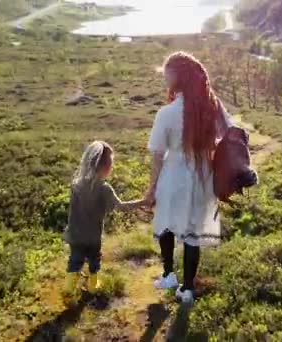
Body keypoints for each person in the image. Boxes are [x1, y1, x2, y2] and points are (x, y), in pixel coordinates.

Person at [145, 51, 233, 303]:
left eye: (167, 74)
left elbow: (157, 156)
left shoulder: (167, 113)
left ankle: (169, 274)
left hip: (173, 177)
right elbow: (228, 134)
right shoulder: (211, 106)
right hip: (202, 178)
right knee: (193, 232)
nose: (164, 78)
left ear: (177, 77)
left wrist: (151, 189)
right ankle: (187, 288)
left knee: (166, 224)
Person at [64, 141, 146, 295]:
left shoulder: (76, 185)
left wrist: (69, 231)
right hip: (93, 237)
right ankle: (93, 286)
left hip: (75, 234)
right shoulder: (104, 188)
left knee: (75, 260)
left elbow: (71, 212)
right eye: (111, 163)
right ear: (105, 166)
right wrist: (142, 202)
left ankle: (68, 288)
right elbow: (121, 206)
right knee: (94, 260)